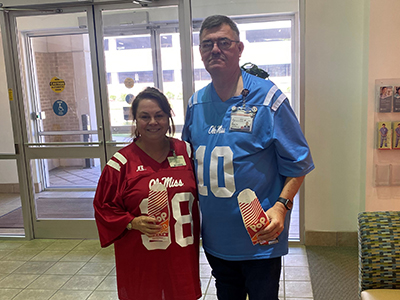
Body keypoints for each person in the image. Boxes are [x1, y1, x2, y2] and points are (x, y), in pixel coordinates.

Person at [182, 15, 314, 300]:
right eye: (207, 44)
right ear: (201, 52)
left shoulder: (268, 99)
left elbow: (300, 163)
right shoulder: (196, 104)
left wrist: (281, 206)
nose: (215, 49)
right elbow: (186, 163)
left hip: (260, 238)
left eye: (224, 42)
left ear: (239, 49)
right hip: (216, 240)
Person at [94, 87, 201, 300]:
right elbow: (103, 207)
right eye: (145, 116)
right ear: (135, 120)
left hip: (181, 256)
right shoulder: (120, 163)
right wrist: (131, 222)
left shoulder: (187, 152)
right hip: (141, 259)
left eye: (159, 115)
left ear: (168, 116)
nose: (153, 122)